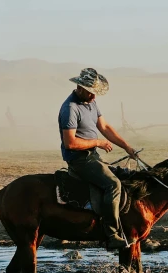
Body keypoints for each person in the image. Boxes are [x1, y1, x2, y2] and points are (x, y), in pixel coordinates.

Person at [58, 68, 137, 249]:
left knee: (123, 177)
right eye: (90, 92)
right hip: (79, 160)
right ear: (79, 87)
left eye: (95, 93)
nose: (94, 97)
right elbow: (70, 143)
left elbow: (105, 126)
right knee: (113, 184)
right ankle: (111, 234)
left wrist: (126, 146)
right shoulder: (70, 109)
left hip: (92, 156)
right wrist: (98, 142)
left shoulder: (91, 103)